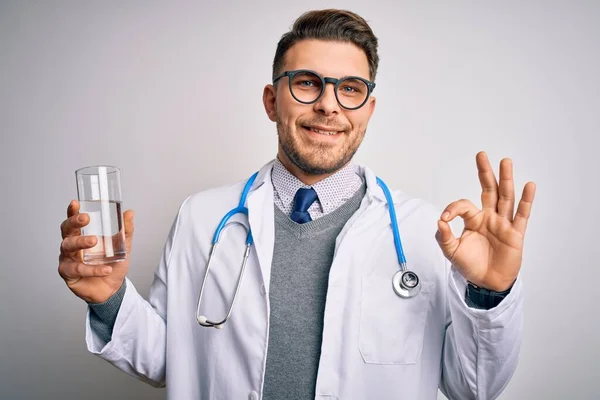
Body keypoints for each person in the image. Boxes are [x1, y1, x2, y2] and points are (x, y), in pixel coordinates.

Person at [58, 9, 536, 400]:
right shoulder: (202, 219)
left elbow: (472, 387)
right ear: (272, 101)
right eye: (307, 82)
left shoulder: (427, 234)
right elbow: (170, 359)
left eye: (350, 89)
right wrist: (110, 299)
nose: (329, 105)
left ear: (368, 109)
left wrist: (490, 294)